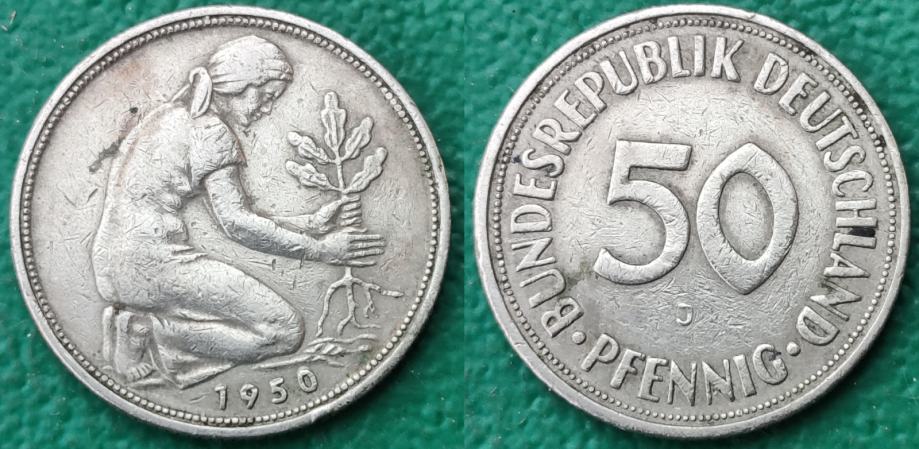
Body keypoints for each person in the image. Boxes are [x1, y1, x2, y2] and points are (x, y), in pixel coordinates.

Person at [90, 35, 383, 388]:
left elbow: (230, 216)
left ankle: (136, 325)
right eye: (267, 95)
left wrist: (309, 224)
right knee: (283, 331)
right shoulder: (211, 131)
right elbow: (237, 224)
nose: (267, 108)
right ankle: (148, 330)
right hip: (151, 265)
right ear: (243, 84)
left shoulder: (170, 115)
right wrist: (321, 249)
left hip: (114, 262)